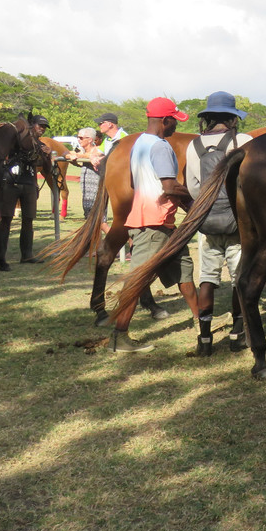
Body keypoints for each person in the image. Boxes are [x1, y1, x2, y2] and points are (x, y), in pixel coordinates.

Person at [108, 97, 199, 352]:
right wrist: (193, 199)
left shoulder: (139, 143)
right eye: (174, 123)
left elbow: (138, 184)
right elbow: (169, 187)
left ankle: (201, 320)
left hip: (160, 221)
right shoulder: (160, 147)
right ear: (165, 120)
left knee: (183, 270)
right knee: (137, 282)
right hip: (152, 223)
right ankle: (119, 337)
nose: (175, 129)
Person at [185, 91, 254, 356]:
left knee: (207, 280)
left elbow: (193, 189)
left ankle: (204, 340)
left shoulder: (193, 146)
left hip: (207, 223)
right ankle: (237, 333)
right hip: (237, 223)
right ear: (232, 118)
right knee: (240, 280)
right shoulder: (244, 140)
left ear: (208, 118)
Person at [0, 113, 48, 264]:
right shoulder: (14, 140)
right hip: (11, 182)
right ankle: (0, 255)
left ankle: (27, 254)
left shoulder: (40, 145)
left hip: (29, 183)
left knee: (28, 219)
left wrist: (46, 155)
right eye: (40, 126)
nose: (43, 129)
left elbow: (46, 167)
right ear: (31, 125)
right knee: (6, 218)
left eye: (45, 127)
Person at [72, 127, 104, 218]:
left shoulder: (97, 149)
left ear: (90, 140)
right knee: (88, 214)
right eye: (78, 137)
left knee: (98, 217)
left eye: (81, 138)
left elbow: (93, 155)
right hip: (86, 190)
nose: (78, 139)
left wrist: (77, 155)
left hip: (96, 189)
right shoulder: (81, 150)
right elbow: (66, 153)